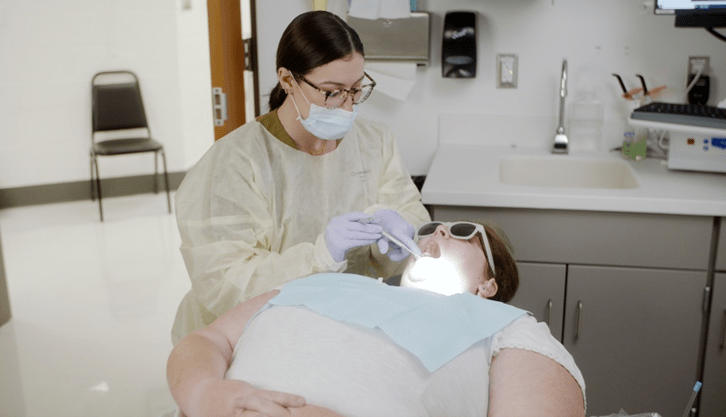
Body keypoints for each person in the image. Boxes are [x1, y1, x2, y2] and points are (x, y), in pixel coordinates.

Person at [171, 10, 430, 344]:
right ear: (288, 80)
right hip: (244, 337)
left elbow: (410, 215)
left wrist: (400, 235)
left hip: (342, 325)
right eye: (332, 92)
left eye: (356, 89)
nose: (347, 106)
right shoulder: (234, 162)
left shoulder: (374, 142)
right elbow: (224, 282)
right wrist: (320, 257)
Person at [167, 221, 587, 417]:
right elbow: (209, 340)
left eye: (461, 232)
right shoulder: (324, 283)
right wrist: (205, 394)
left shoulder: (505, 325)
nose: (438, 234)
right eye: (433, 228)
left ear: (488, 286)